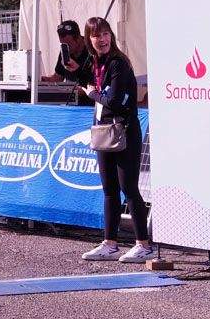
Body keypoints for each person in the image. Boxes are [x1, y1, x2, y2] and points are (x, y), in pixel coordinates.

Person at [79, 17, 157, 263]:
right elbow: (73, 75)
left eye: (105, 34)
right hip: (104, 130)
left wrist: (93, 94)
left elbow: (114, 100)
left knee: (129, 188)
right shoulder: (96, 62)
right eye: (95, 35)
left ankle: (143, 245)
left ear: (111, 35)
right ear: (89, 40)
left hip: (124, 131)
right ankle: (109, 243)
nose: (101, 39)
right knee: (109, 189)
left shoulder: (118, 63)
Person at [45, 20, 94, 102]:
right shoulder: (64, 51)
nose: (66, 48)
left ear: (78, 39)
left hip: (89, 102)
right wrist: (44, 81)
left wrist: (84, 89)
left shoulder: (92, 51)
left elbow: (97, 81)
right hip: (70, 101)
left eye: (68, 44)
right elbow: (59, 76)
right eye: (63, 44)